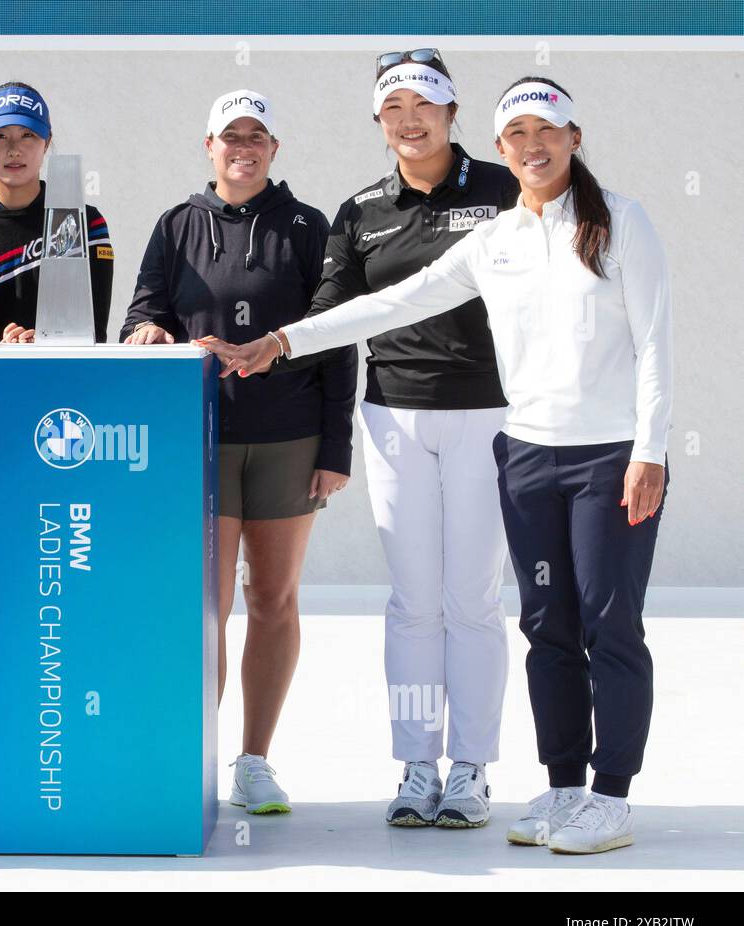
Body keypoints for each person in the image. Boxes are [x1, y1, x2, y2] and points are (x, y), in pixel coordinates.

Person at [200, 77, 672, 855]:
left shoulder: (620, 221)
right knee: (544, 623)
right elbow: (392, 302)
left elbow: (656, 342)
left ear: (573, 137)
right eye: (516, 135)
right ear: (502, 148)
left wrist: (651, 447)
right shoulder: (496, 238)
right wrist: (282, 341)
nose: (531, 146)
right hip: (523, 452)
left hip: (606, 454)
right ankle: (555, 787)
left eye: (545, 131)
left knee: (603, 624)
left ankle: (606, 794)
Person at [268, 51, 520, 830]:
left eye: (424, 105)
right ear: (379, 123)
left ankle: (472, 768)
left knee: (472, 600)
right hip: (395, 417)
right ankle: (418, 762)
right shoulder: (361, 211)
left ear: (451, 112)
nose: (409, 121)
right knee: (414, 601)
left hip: (493, 412)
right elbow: (335, 314)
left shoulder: (504, 190)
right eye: (393, 110)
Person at [123, 90, 352, 814]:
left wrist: (337, 445)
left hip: (292, 436)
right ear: (209, 146)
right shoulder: (176, 224)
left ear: (274, 149)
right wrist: (152, 336)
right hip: (204, 437)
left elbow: (338, 335)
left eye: (257, 136)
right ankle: (194, 758)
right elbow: (142, 312)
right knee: (207, 605)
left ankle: (255, 761)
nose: (242, 146)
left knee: (273, 597)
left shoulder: (308, 227)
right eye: (230, 136)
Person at [0, 80, 114, 343]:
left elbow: (92, 331)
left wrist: (37, 345)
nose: (14, 149)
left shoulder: (82, 220)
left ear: (47, 141)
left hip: (64, 376)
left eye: (27, 135)